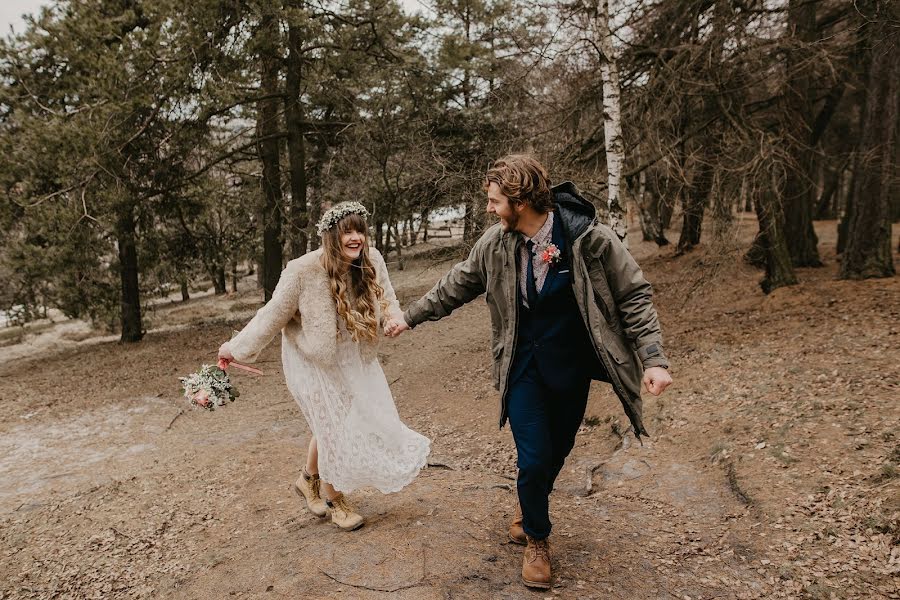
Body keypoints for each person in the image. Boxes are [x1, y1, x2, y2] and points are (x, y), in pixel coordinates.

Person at [386, 155, 673, 588]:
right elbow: (457, 283)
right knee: (535, 456)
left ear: (520, 202)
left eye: (494, 200)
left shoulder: (589, 238)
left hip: (570, 367)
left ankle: (528, 500)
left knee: (555, 453)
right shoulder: (496, 243)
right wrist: (410, 317)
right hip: (521, 368)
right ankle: (538, 539)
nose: (488, 208)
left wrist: (653, 359)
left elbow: (633, 295)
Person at [219, 201, 430, 531]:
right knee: (332, 423)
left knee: (342, 418)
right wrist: (234, 349)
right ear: (331, 236)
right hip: (311, 359)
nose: (356, 238)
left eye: (360, 230)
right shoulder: (301, 272)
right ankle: (334, 498)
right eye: (348, 232)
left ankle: (308, 479)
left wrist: (391, 319)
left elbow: (387, 296)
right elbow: (271, 316)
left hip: (354, 353)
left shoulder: (372, 260)